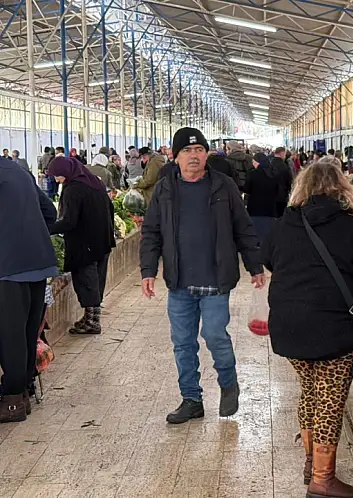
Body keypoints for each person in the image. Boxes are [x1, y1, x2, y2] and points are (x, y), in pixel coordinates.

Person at [262, 156, 353, 498]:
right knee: (329, 399)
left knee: (310, 389)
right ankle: (323, 481)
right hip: (333, 331)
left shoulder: (284, 225)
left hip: (288, 328)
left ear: (302, 189)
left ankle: (312, 462)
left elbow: (267, 257)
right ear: (343, 189)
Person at [140, 127, 265, 424]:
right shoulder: (165, 187)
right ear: (175, 156)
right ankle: (191, 399)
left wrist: (255, 264)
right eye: (186, 151)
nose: (193, 156)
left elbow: (242, 226)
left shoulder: (224, 185)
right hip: (179, 279)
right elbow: (151, 231)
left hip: (215, 278)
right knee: (182, 342)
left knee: (214, 335)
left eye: (199, 150)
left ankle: (228, 384)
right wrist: (148, 269)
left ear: (207, 153)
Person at [0, 156, 58, 422]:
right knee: (25, 334)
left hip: (8, 268)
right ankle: (22, 393)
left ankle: (12, 402)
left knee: (10, 337)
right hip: (37, 264)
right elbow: (50, 213)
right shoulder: (18, 171)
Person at [47, 157, 116, 335]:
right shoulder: (95, 183)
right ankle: (90, 318)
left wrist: (46, 229)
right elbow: (111, 209)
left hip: (84, 244)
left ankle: (93, 322)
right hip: (102, 241)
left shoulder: (73, 190)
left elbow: (69, 221)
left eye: (58, 176)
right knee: (96, 279)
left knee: (86, 281)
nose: (57, 180)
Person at [243, 151, 285, 244]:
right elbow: (279, 191)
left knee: (257, 234)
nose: (253, 164)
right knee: (269, 235)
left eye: (253, 162)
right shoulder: (274, 173)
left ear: (258, 162)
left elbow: (247, 189)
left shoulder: (252, 174)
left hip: (255, 209)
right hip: (270, 209)